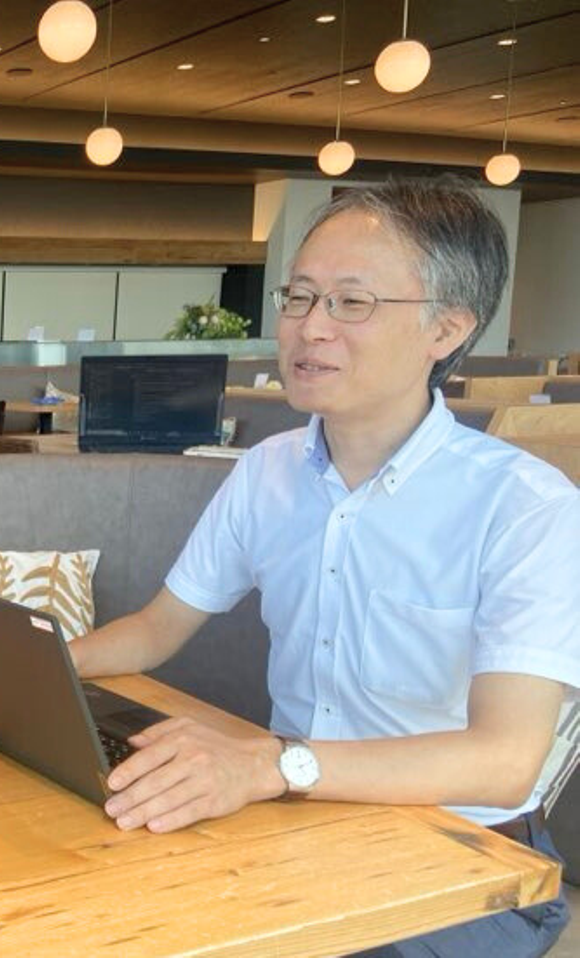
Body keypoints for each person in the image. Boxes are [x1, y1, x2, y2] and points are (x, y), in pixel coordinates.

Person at [69, 178, 579, 956]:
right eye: (300, 296)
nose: (311, 328)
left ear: (447, 328)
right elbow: (154, 630)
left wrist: (271, 766)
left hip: (463, 861)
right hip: (297, 823)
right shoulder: (266, 470)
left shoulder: (527, 507)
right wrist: (29, 663)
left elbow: (504, 761)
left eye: (351, 302)